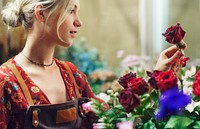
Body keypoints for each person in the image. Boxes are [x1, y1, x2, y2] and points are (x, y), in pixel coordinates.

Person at [0, 0, 181, 128]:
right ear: (41, 13)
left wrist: (157, 75)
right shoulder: (6, 81)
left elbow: (112, 116)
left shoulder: (71, 74)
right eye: (71, 10)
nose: (79, 22)